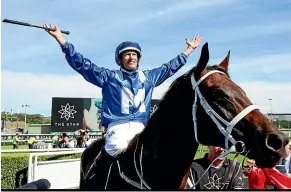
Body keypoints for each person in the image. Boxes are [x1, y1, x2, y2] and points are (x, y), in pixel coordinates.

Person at [43, 23, 203, 167]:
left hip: (141, 126)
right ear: (120, 59)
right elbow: (83, 65)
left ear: (138, 58)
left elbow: (170, 68)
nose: (131, 57)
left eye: (134, 54)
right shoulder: (108, 77)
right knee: (118, 147)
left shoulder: (149, 77)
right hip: (117, 126)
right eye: (127, 54)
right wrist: (61, 40)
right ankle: (98, 175)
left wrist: (189, 49)